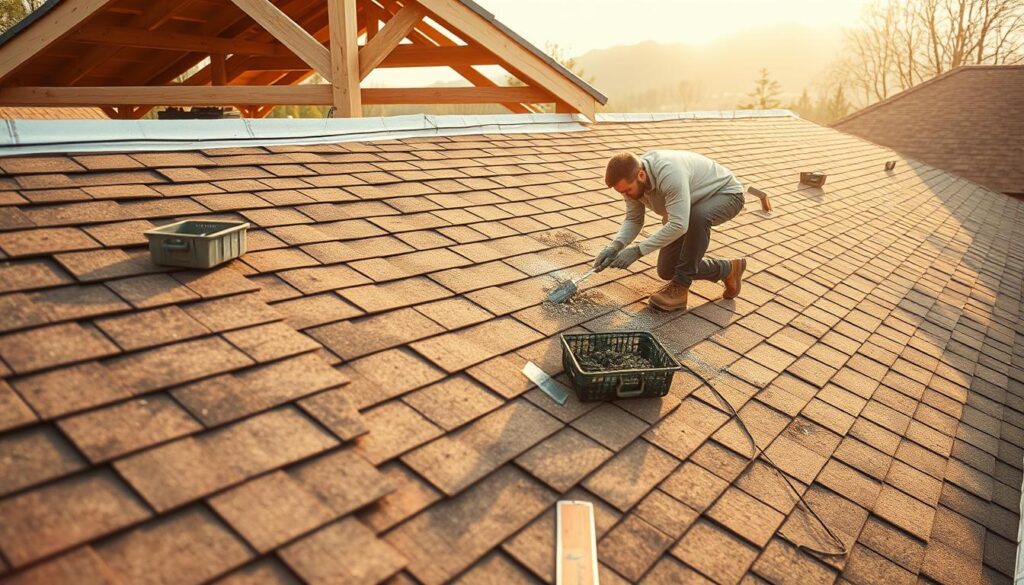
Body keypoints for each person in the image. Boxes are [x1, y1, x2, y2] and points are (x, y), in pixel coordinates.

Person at [594, 150, 747, 311]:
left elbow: (679, 224)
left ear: (641, 175)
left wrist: (638, 251)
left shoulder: (669, 173)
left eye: (627, 190)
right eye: (621, 192)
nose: (626, 195)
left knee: (697, 216)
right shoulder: (631, 182)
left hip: (726, 194)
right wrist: (616, 245)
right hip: (689, 206)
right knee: (667, 269)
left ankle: (681, 287)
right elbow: (634, 220)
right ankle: (728, 269)